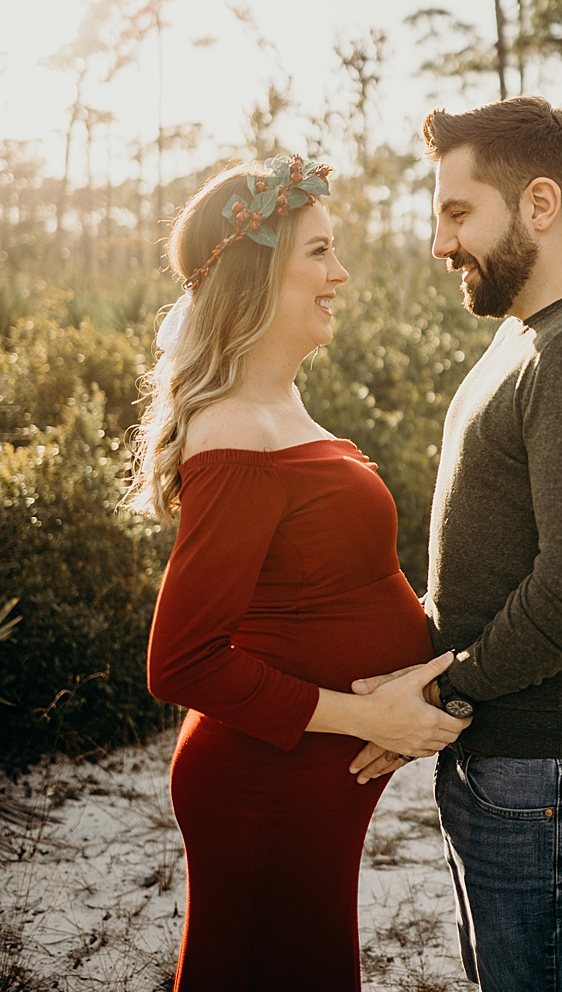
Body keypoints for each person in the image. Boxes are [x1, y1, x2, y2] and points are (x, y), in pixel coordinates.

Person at [348, 97, 562, 992]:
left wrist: (444, 692)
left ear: (539, 205)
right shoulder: (530, 335)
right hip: (525, 768)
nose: (439, 242)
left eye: (459, 213)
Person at [131, 156, 471, 992]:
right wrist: (367, 713)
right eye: (319, 251)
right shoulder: (234, 432)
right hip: (262, 787)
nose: (340, 273)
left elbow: (330, 588)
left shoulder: (276, 409)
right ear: (257, 274)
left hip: (299, 785)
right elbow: (180, 660)